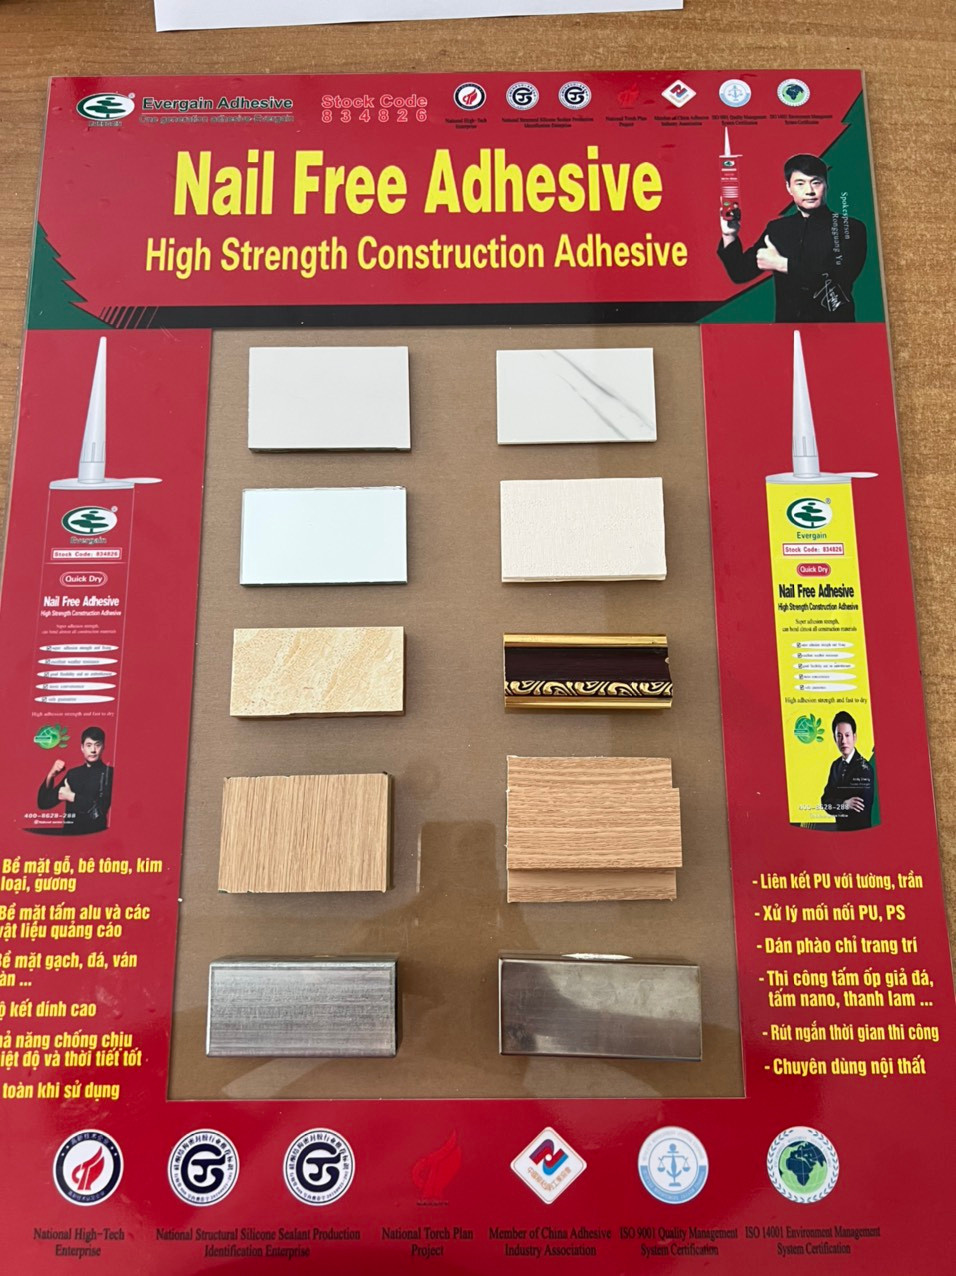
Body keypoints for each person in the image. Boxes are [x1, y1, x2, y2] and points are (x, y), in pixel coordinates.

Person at [717, 154, 867, 322]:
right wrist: (729, 235)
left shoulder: (850, 227)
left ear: (826, 184)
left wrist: (782, 264)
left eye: (816, 182)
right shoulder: (777, 229)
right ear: (788, 187)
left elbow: (838, 280)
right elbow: (740, 273)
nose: (809, 191)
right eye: (800, 183)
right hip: (786, 329)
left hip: (835, 328)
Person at [37, 725, 113, 834]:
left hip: (95, 836)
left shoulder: (110, 773)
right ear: (82, 747)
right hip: (69, 837)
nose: (93, 750)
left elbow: (99, 812)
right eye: (89, 745)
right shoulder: (73, 774)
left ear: (103, 747)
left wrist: (72, 797)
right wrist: (51, 775)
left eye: (97, 745)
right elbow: (43, 803)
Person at [820, 711, 873, 831]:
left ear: (854, 737)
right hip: (839, 831)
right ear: (834, 739)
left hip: (860, 833)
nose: (843, 741)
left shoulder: (865, 768)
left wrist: (836, 802)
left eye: (847, 735)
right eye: (839, 736)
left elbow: (860, 809)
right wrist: (844, 804)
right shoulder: (835, 766)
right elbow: (825, 801)